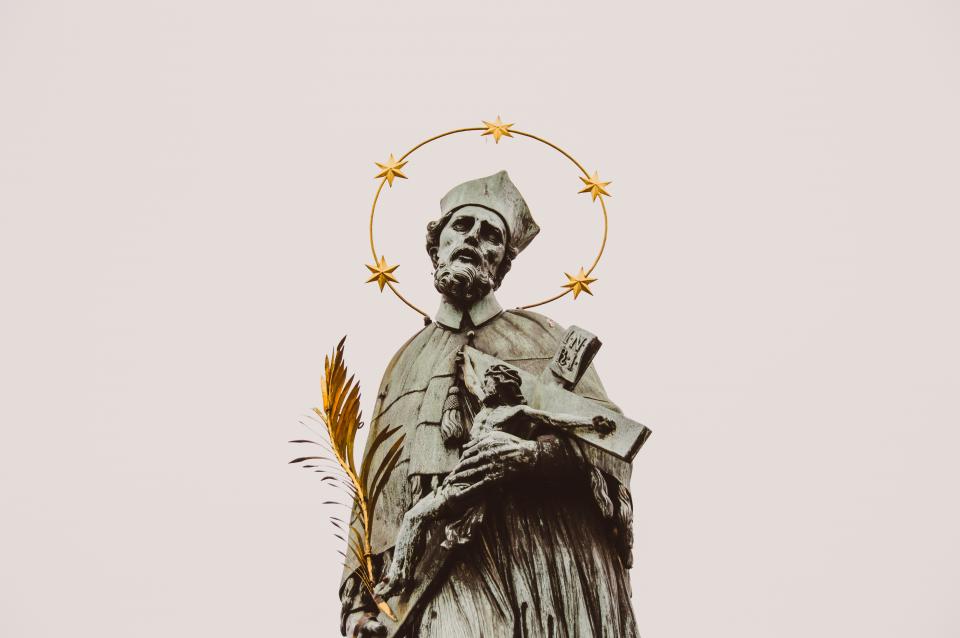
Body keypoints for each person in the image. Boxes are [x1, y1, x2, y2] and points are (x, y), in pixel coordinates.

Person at [339, 171, 638, 638]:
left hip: (536, 552)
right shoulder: (403, 363)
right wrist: (357, 604)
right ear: (436, 246)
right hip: (429, 574)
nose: (474, 239)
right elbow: (371, 489)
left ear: (502, 263)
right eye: (462, 226)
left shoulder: (543, 337)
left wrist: (531, 456)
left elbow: (610, 440)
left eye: (491, 235)